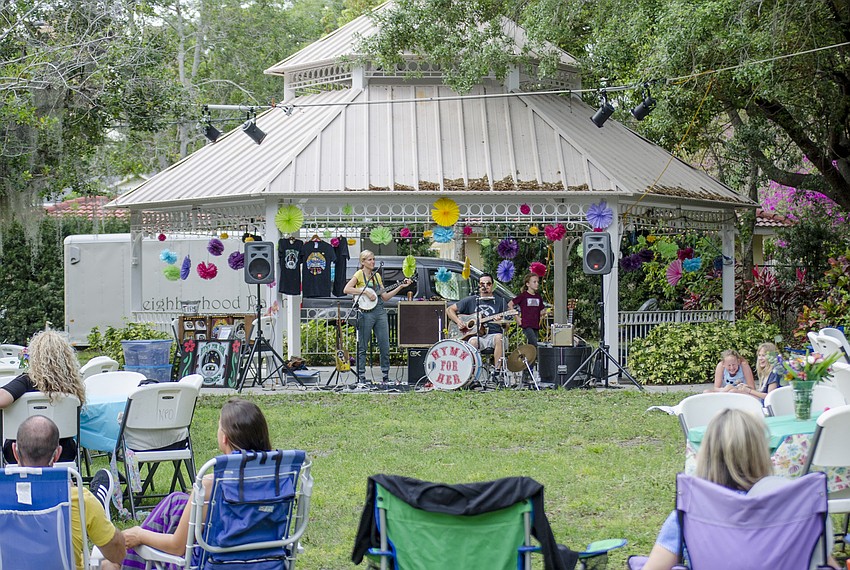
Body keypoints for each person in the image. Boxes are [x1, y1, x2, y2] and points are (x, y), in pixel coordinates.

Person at [641, 408, 839, 570]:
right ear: (762, 453)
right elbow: (823, 561)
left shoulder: (689, 512)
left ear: (706, 455)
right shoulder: (795, 507)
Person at [103, 398, 274, 570]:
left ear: (225, 438)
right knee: (178, 501)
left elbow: (177, 547)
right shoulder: (279, 481)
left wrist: (139, 535)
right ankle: (117, 556)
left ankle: (116, 558)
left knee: (110, 563)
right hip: (266, 563)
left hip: (212, 564)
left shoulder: (212, 485)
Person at [13, 415, 126, 569]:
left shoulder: (3, 496)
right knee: (110, 565)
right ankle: (100, 502)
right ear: (57, 454)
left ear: (15, 452)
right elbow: (117, 554)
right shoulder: (78, 498)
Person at [0, 328, 86, 464]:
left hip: (19, 452)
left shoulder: (26, 381)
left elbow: (1, 399)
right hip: (63, 452)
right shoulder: (73, 387)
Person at [343, 250, 410, 384]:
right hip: (365, 313)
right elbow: (347, 289)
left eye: (373, 259)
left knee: (384, 344)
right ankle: (361, 375)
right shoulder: (359, 274)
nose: (373, 262)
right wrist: (366, 293)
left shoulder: (377, 276)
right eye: (370, 260)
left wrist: (400, 286)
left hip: (379, 311)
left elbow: (384, 296)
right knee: (363, 345)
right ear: (363, 262)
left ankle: (385, 375)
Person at [447, 274, 508, 379]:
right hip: (477, 336)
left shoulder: (500, 301)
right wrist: (458, 321)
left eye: (488, 284)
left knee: (500, 338)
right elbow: (449, 310)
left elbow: (506, 327)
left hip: (493, 335)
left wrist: (501, 322)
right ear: (479, 285)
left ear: (492, 285)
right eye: (482, 284)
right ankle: (472, 374)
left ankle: (497, 373)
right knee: (473, 342)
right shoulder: (471, 300)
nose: (485, 286)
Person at [508, 273, 545, 348]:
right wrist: (517, 317)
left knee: (532, 347)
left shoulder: (538, 296)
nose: (537, 284)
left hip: (535, 324)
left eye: (537, 282)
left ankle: (530, 356)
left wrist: (545, 312)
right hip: (526, 324)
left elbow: (541, 310)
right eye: (534, 282)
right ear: (527, 284)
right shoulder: (523, 295)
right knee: (534, 344)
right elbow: (510, 304)